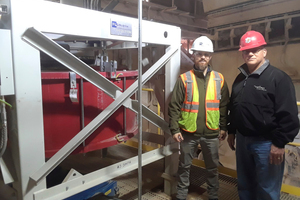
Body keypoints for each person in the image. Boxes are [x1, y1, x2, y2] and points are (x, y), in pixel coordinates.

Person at [227, 30, 299, 200]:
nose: (250, 53)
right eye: (246, 50)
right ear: (242, 54)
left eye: (255, 49)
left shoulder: (279, 78)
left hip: (267, 144)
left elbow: (289, 115)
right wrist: (231, 130)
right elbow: (235, 106)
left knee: (267, 189)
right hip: (243, 140)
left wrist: (279, 143)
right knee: (245, 185)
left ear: (264, 52)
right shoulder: (239, 79)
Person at [168, 36, 229, 200]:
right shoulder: (184, 79)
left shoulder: (219, 79)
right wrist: (174, 129)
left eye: (206, 54)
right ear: (193, 55)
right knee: (184, 166)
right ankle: (181, 196)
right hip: (188, 132)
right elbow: (174, 106)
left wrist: (223, 127)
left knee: (212, 168)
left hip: (211, 133)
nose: (203, 57)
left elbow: (224, 106)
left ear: (210, 57)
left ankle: (213, 196)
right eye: (199, 53)